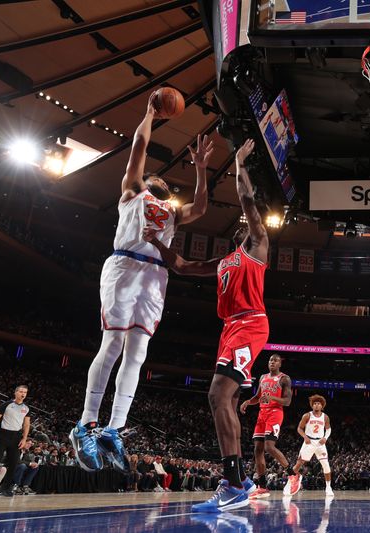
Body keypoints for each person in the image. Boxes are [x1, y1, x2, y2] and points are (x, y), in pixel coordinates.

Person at [70, 92, 213, 474]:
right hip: (125, 266)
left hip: (155, 277)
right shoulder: (133, 192)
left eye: (163, 178)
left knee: (138, 353)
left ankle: (114, 429)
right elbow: (139, 146)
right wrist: (150, 115)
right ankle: (85, 422)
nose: (158, 177)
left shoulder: (172, 211)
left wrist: (201, 169)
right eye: (155, 175)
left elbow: (200, 208)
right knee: (113, 343)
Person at [144, 138, 267, 512]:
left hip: (250, 324)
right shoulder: (223, 260)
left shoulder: (257, 245)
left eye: (247, 219)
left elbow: (246, 201)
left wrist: (238, 166)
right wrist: (157, 243)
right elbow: (180, 266)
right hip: (229, 328)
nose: (244, 220)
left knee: (216, 394)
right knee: (223, 398)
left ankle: (231, 482)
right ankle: (240, 479)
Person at [240, 354, 294, 499]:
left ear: (280, 364)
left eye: (275, 360)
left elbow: (287, 401)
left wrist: (271, 398)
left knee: (269, 447)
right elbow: (258, 397)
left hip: (275, 413)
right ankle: (262, 486)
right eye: (270, 360)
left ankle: (293, 475)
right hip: (262, 414)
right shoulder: (263, 377)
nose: (272, 362)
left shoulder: (284, 378)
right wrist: (248, 402)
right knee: (257, 449)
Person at [286, 394, 333, 497]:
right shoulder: (307, 415)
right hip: (309, 442)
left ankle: (328, 487)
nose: (316, 405)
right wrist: (305, 437)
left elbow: (328, 429)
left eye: (318, 404)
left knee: (326, 464)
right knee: (299, 464)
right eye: (315, 403)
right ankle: (289, 483)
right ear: (312, 405)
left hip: (320, 443)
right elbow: (299, 428)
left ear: (322, 406)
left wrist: (325, 438)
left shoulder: (325, 417)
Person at [0, 385, 31, 497]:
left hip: (16, 438)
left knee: (14, 464)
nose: (23, 394)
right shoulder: (6, 405)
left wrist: (24, 439)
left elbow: (26, 424)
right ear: (15, 392)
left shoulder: (27, 408)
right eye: (20, 391)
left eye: (25, 392)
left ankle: (5, 488)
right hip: (2, 436)